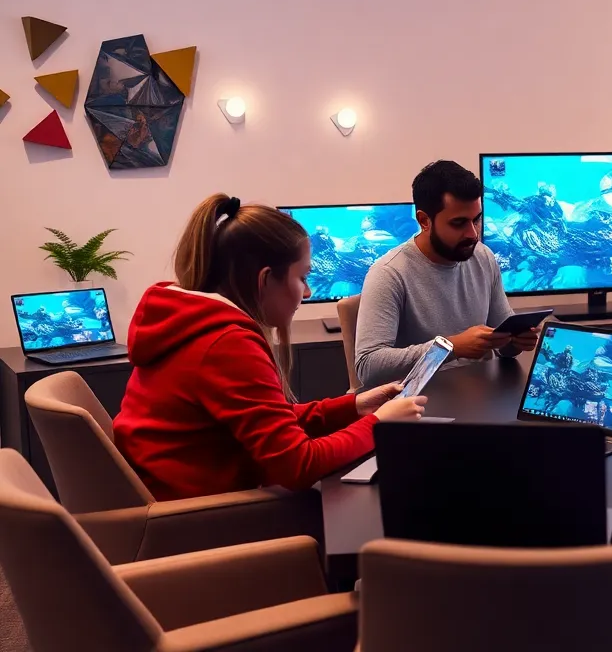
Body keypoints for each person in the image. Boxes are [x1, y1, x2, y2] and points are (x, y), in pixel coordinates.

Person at [113, 194, 427, 502]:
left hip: (180, 501)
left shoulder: (193, 323)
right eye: (302, 278)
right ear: (265, 280)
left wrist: (355, 406)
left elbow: (271, 419)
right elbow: (300, 466)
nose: (306, 292)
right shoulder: (226, 345)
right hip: (197, 518)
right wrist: (378, 423)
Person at [356, 160, 539, 387]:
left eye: (477, 219)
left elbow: (503, 345)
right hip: (423, 405)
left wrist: (516, 341)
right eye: (459, 223)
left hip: (485, 395)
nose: (473, 234)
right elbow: (367, 366)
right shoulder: (389, 274)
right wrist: (448, 347)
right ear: (424, 221)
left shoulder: (483, 256)